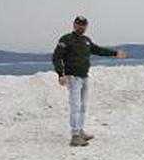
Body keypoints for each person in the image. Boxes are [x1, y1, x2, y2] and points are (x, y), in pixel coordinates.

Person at [52, 15, 127, 147]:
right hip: (72, 77)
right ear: (74, 25)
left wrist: (115, 54)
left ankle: (80, 131)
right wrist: (60, 74)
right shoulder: (66, 39)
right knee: (75, 105)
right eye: (79, 24)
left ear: (86, 26)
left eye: (83, 24)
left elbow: (98, 50)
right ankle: (75, 136)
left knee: (82, 106)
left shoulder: (86, 40)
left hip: (84, 76)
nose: (81, 26)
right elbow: (56, 57)